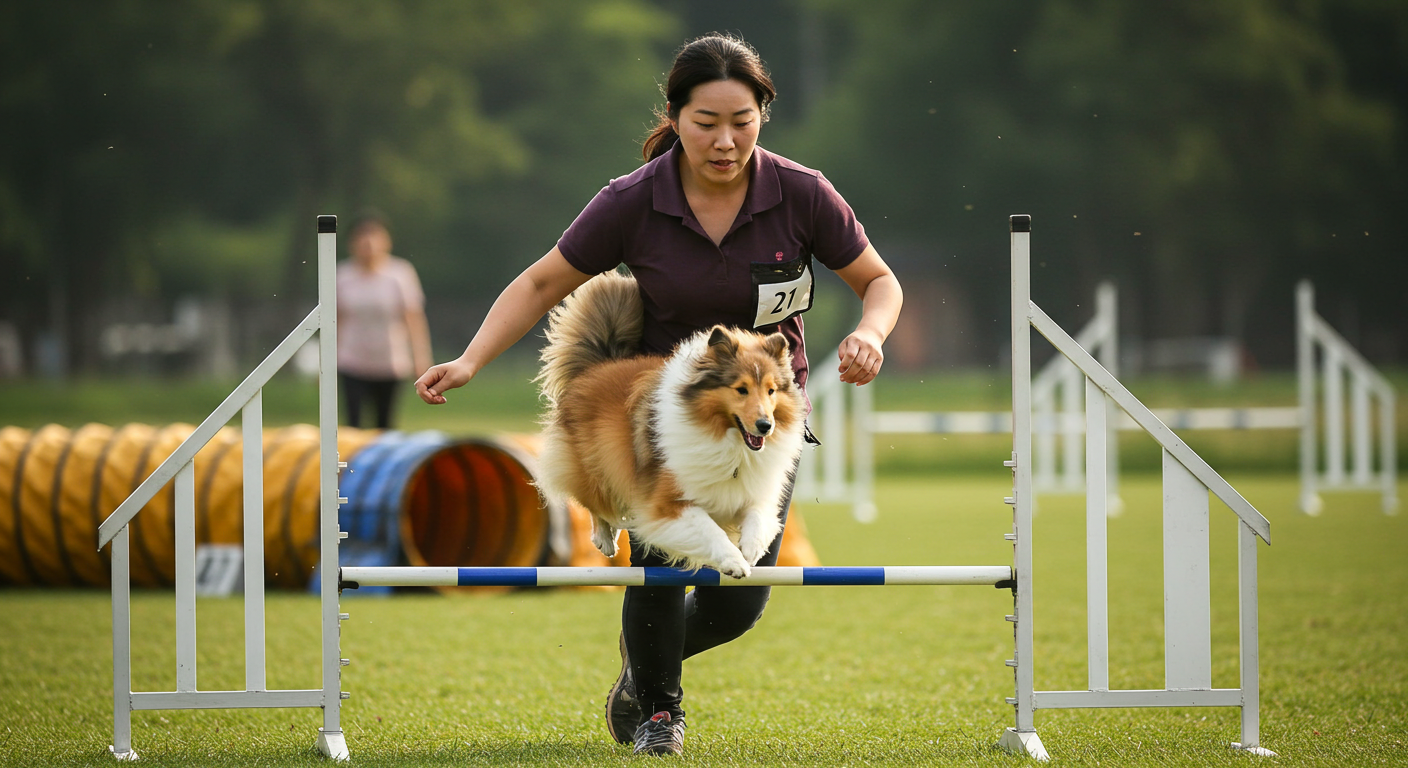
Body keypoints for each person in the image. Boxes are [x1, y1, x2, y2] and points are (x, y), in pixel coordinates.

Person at [414, 34, 902, 756]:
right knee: (665, 566)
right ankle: (660, 713)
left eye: (742, 121)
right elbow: (543, 282)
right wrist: (470, 359)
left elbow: (878, 281)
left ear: (763, 116)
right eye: (706, 123)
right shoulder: (633, 199)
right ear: (674, 118)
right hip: (665, 415)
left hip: (765, 415)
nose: (725, 141)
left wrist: (871, 333)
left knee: (740, 599)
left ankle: (640, 670)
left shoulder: (802, 192)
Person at [337, 211, 433, 429]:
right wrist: (325, 359)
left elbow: (413, 318)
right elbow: (336, 321)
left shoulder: (400, 273)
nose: (368, 243)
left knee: (385, 425)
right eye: (361, 237)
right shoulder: (341, 276)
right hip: (351, 360)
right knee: (352, 425)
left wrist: (421, 357)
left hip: (390, 361)